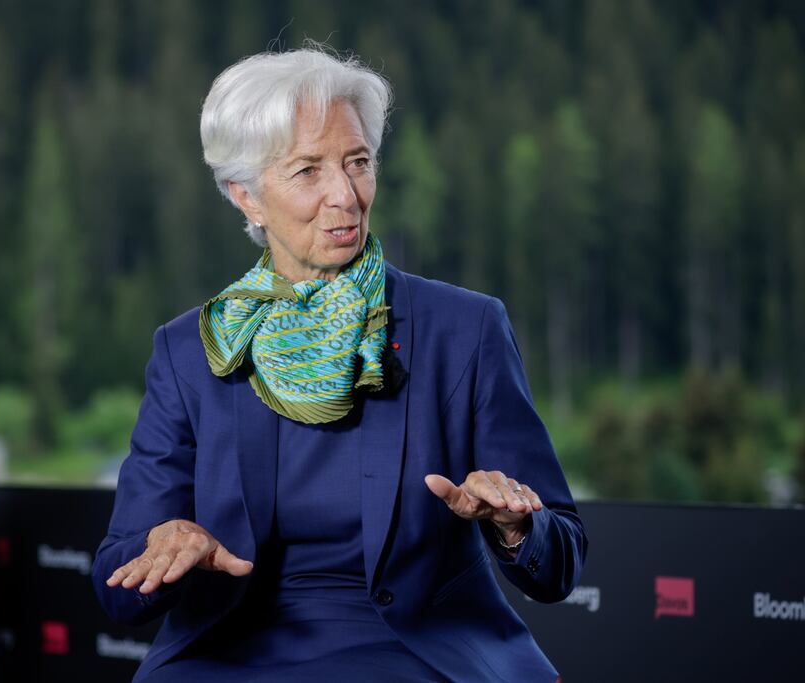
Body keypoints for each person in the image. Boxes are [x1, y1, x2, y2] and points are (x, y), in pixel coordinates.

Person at [93, 45, 587, 683]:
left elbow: (562, 560)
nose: (345, 196)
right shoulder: (189, 351)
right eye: (307, 171)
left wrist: (518, 525)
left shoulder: (464, 330)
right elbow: (116, 580)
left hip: (416, 651)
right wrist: (162, 552)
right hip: (228, 652)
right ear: (245, 195)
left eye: (358, 163)